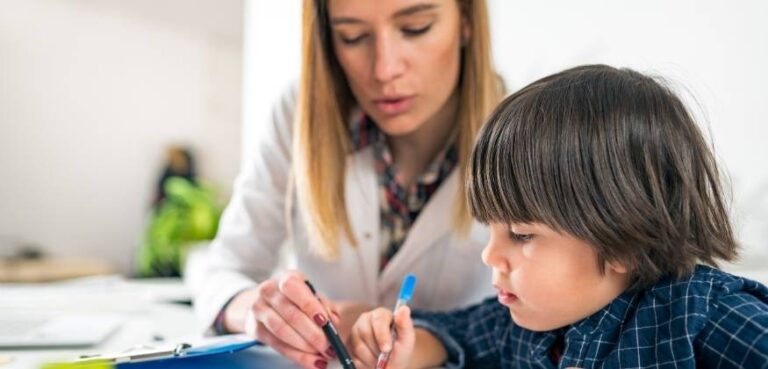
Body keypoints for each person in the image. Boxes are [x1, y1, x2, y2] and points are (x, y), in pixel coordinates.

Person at [349, 65, 768, 368]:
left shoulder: (706, 319)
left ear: (624, 241)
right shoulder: (523, 321)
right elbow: (453, 335)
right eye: (490, 229)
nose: (490, 255)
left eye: (521, 234)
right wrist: (404, 347)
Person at [187, 1, 504, 368]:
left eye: (416, 28)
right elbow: (223, 270)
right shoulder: (298, 116)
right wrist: (258, 314)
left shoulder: (534, 135)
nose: (384, 69)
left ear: (465, 21)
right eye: (352, 36)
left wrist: (422, 337)